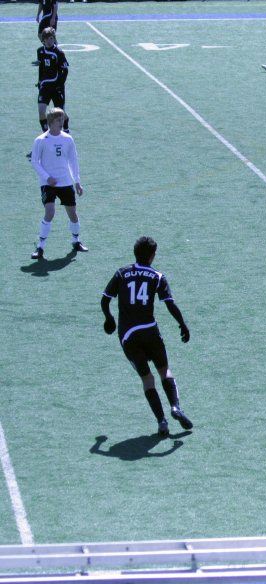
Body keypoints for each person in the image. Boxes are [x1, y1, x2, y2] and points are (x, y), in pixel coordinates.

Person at [101, 236, 193, 438]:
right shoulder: (157, 276)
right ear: (152, 256)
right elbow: (169, 303)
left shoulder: (122, 273)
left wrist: (109, 318)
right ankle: (175, 407)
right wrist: (182, 324)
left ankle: (161, 421)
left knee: (147, 379)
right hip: (150, 331)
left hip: (128, 335)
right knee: (164, 371)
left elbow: (105, 299)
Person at [30, 107, 87, 259]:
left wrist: (77, 181)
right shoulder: (41, 140)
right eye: (58, 120)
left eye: (62, 119)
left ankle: (76, 241)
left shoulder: (68, 139)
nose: (61, 122)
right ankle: (40, 247)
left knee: (72, 214)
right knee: (49, 212)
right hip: (48, 183)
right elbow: (35, 162)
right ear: (50, 122)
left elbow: (73, 161)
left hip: (65, 181)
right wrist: (47, 177)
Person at [36, 27, 70, 133]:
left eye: (51, 38)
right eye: (46, 39)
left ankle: (66, 129)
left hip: (56, 87)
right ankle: (46, 133)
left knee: (60, 112)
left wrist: (60, 85)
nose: (49, 41)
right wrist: (40, 82)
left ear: (54, 38)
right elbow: (41, 68)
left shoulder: (59, 53)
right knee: (41, 111)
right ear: (43, 40)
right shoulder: (40, 51)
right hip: (45, 86)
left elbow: (65, 70)